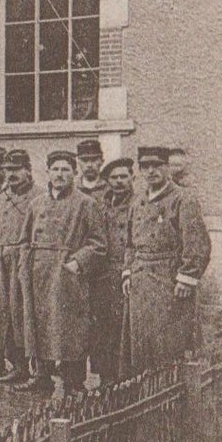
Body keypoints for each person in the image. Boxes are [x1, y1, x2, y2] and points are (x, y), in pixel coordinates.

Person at [17, 151, 106, 397]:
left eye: (66, 169)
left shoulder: (85, 203)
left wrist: (77, 263)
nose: (60, 174)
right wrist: (25, 265)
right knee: (38, 324)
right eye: (55, 169)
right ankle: (41, 376)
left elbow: (98, 244)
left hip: (66, 273)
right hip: (37, 272)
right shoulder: (36, 203)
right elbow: (24, 239)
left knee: (69, 328)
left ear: (74, 173)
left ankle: (73, 382)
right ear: (47, 173)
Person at [123, 146, 211, 372]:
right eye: (145, 166)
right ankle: (144, 393)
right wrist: (127, 271)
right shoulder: (138, 201)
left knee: (167, 341)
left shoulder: (183, 199)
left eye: (157, 166)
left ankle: (169, 396)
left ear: (167, 168)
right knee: (141, 339)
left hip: (168, 280)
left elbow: (197, 242)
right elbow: (129, 242)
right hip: (140, 280)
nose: (151, 171)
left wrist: (187, 278)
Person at [0, 148, 40, 384]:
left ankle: (39, 370)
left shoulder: (39, 196)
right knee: (8, 314)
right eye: (8, 170)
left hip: (27, 262)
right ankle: (18, 366)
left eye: (16, 170)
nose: (11, 174)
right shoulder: (1, 198)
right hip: (3, 262)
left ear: (28, 170)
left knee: (29, 316)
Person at [92, 156, 135, 385]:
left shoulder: (139, 204)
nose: (119, 181)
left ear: (132, 177)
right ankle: (106, 380)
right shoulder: (101, 205)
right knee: (103, 328)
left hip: (128, 274)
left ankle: (125, 379)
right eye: (114, 177)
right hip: (103, 275)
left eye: (123, 176)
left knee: (125, 329)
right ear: (107, 181)